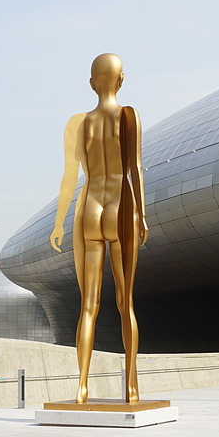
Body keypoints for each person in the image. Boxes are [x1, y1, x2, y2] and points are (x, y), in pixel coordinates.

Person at [50, 53, 148, 404]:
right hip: (121, 207)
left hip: (89, 208)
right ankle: (131, 384)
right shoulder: (129, 116)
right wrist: (142, 214)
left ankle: (82, 386)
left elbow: (68, 178)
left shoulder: (78, 123)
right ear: (122, 79)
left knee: (87, 306)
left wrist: (60, 222)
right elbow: (135, 169)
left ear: (92, 83)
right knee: (126, 303)